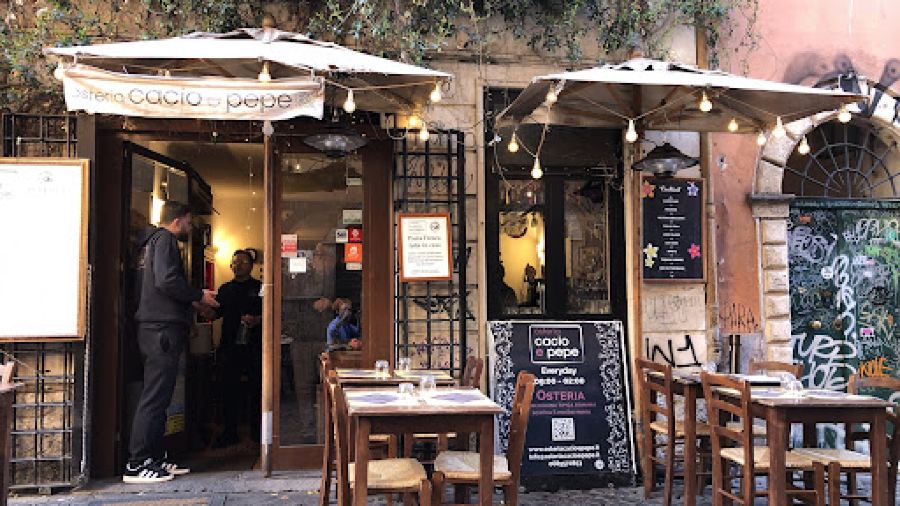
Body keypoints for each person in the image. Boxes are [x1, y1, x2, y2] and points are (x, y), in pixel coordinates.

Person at [126, 201, 219, 484]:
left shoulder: (147, 244)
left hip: (154, 325)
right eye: (189, 221)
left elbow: (158, 285)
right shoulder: (165, 240)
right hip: (161, 328)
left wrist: (190, 306)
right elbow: (167, 281)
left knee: (159, 395)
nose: (191, 227)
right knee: (155, 396)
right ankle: (138, 462)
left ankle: (154, 458)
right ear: (178, 221)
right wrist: (198, 296)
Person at [210, 250, 263, 448]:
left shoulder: (260, 288)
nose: (238, 265)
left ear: (251, 265)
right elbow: (215, 313)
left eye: (242, 262)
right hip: (230, 346)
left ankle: (258, 432)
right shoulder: (225, 289)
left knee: (257, 388)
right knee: (228, 389)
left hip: (255, 346)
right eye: (235, 262)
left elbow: (271, 313)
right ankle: (229, 431)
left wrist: (256, 320)